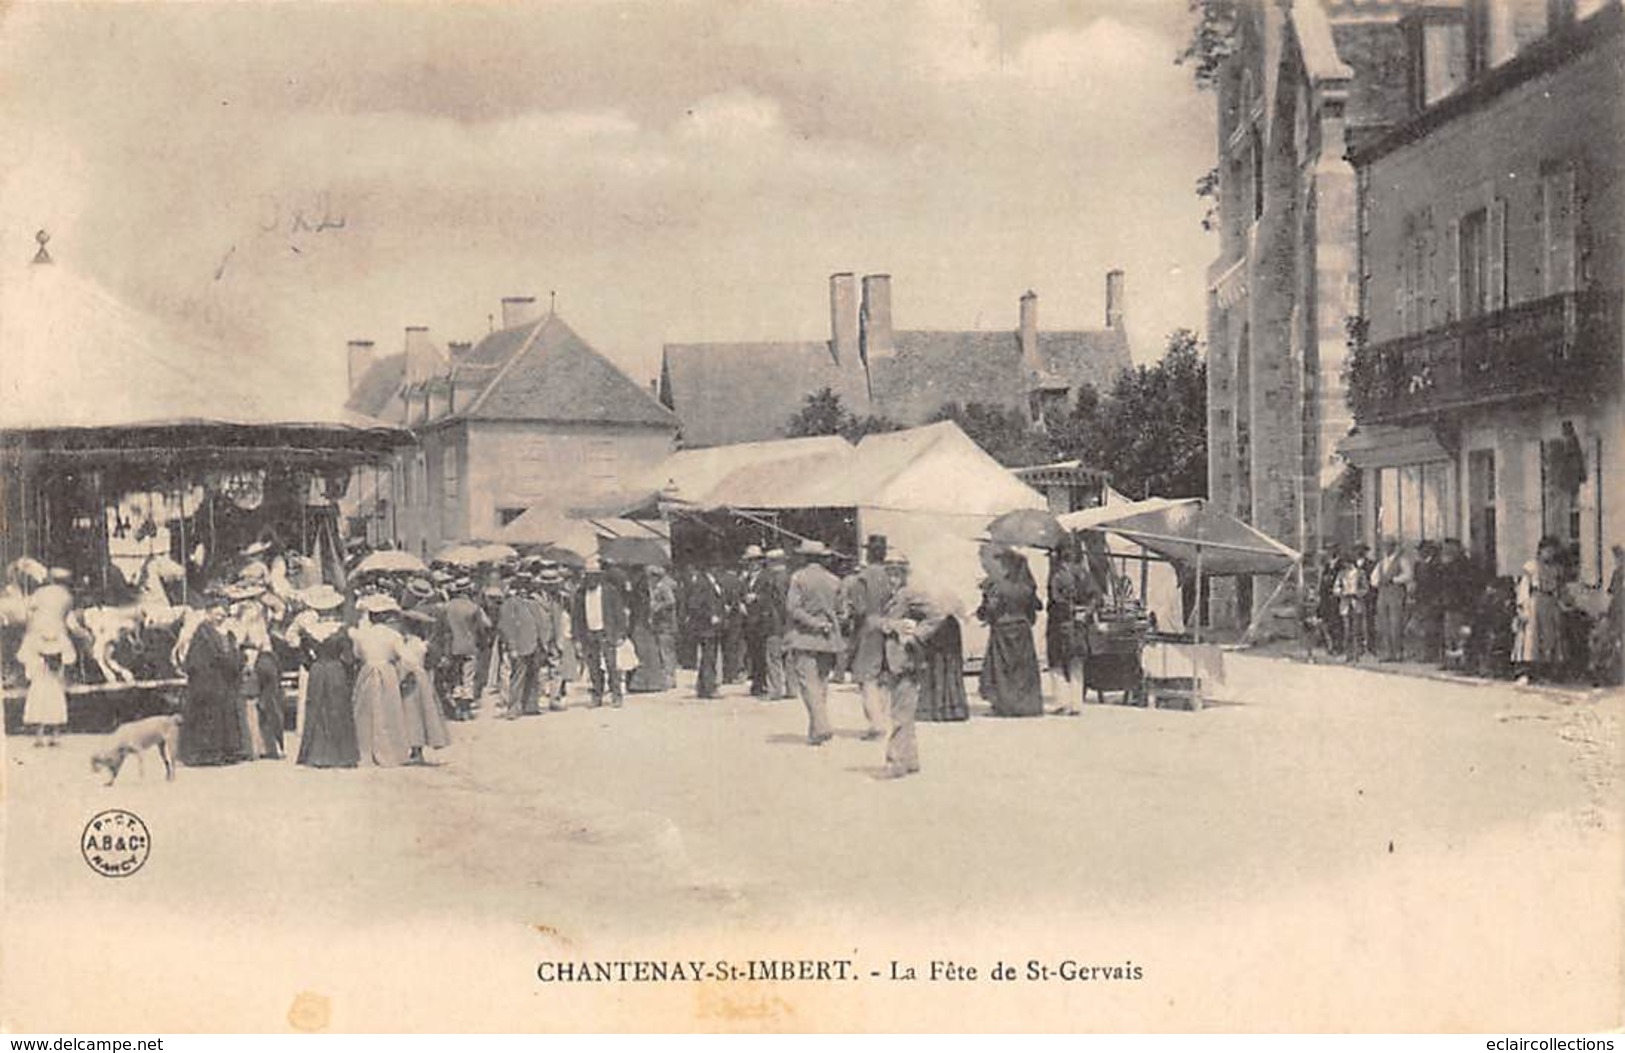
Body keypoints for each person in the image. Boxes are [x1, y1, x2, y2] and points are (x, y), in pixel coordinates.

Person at [785, 540, 845, 745]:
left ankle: (821, 725)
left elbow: (793, 609)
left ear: (804, 557)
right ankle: (815, 731)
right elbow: (843, 612)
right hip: (829, 640)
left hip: (804, 637)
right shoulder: (835, 580)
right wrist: (828, 623)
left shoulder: (798, 578)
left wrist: (815, 623)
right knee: (821, 683)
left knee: (808, 685)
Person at [976, 545, 1043, 717]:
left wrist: (983, 607)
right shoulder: (1026, 586)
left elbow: (990, 609)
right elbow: (1037, 606)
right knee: (1022, 670)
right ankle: (1026, 705)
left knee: (1002, 670)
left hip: (1003, 629)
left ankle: (1004, 706)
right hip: (1023, 629)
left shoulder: (999, 585)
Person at [178, 594, 245, 765]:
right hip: (205, 682)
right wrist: (228, 660)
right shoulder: (203, 632)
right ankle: (206, 755)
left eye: (223, 615)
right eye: (217, 615)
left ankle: (226, 751)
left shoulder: (227, 633)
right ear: (208, 614)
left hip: (222, 680)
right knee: (207, 717)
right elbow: (205, 658)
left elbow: (232, 654)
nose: (220, 618)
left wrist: (236, 659)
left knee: (225, 714)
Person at [351, 594, 410, 767]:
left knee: (365, 712)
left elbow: (358, 654)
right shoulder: (393, 635)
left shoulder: (362, 635)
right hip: (387, 671)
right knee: (388, 711)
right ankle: (389, 751)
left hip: (368, 670)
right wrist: (401, 676)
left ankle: (365, 751)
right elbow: (405, 658)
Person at [846, 534, 895, 740]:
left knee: (867, 679)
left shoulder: (862, 578)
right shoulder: (892, 576)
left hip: (868, 630)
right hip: (890, 628)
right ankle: (884, 720)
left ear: (868, 553)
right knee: (884, 678)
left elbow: (859, 610)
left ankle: (876, 725)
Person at [296, 624, 358, 769]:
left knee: (316, 709)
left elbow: (303, 657)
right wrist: (346, 670)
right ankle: (342, 755)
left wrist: (313, 664)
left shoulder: (309, 631)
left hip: (317, 670)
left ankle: (316, 755)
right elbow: (349, 658)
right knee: (338, 708)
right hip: (335, 669)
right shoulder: (340, 631)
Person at [1045, 538, 1095, 716]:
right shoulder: (1084, 574)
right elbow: (1095, 598)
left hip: (1060, 625)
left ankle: (1062, 702)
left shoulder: (1057, 576)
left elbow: (1055, 601)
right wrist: (1085, 612)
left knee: (1056, 663)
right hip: (1079, 625)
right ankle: (1076, 704)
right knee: (1076, 664)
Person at [573, 557, 628, 707]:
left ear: (599, 576)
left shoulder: (610, 591)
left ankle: (616, 695)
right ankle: (597, 695)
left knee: (611, 665)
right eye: (588, 575)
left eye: (594, 575)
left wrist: (621, 634)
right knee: (593, 666)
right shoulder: (580, 593)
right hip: (589, 633)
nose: (591, 579)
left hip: (606, 632)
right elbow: (576, 617)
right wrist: (577, 638)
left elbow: (619, 613)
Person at [397, 615, 450, 764]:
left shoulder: (411, 644)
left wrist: (400, 677)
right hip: (422, 678)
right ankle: (416, 750)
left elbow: (407, 663)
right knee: (422, 712)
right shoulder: (423, 644)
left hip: (412, 677)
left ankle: (415, 749)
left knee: (412, 713)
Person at [1513, 536, 1567, 683]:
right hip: (1534, 603)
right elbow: (1524, 588)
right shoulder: (1531, 567)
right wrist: (1523, 607)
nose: (1549, 553)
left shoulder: (1556, 569)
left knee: (1549, 638)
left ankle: (1546, 671)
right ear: (1541, 550)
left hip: (1550, 604)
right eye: (1547, 550)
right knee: (1531, 638)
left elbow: (1561, 590)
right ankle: (1525, 672)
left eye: (1552, 551)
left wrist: (1564, 604)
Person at [437, 578, 489, 721]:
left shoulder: (446, 607)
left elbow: (441, 628)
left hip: (451, 646)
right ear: (468, 590)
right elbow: (484, 626)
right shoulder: (473, 607)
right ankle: (466, 709)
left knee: (455, 678)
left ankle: (457, 709)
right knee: (468, 678)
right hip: (469, 646)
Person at [18, 621, 74, 747]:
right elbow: (24, 656)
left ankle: (55, 735)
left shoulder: (61, 638)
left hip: (53, 680)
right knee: (39, 704)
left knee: (55, 704)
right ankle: (39, 735)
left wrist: (58, 663)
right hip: (40, 678)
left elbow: (68, 656)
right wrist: (38, 661)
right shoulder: (32, 638)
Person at [497, 573, 542, 718]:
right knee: (518, 677)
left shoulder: (532, 602)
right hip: (519, 646)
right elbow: (507, 627)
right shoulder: (509, 604)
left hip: (534, 644)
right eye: (523, 585)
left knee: (533, 675)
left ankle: (530, 705)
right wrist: (512, 647)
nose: (525, 589)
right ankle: (513, 707)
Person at [1370, 536, 1413, 662]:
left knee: (1396, 623)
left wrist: (1394, 579)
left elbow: (1408, 575)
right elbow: (1373, 578)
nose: (1386, 548)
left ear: (1393, 546)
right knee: (1384, 623)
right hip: (1383, 593)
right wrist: (1378, 582)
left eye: (1389, 545)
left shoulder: (1401, 560)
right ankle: (1388, 652)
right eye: (1385, 545)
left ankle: (1398, 652)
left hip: (1396, 593)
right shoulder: (1382, 562)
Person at [688, 563, 725, 699]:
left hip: (713, 627)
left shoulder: (713, 581)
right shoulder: (702, 582)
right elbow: (695, 604)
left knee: (708, 657)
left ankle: (703, 686)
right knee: (709, 657)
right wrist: (710, 615)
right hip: (706, 627)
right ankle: (709, 688)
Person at [760, 550, 792, 700]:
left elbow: (779, 601)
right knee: (788, 657)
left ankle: (775, 690)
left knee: (773, 658)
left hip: (775, 623)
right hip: (788, 624)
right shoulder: (790, 577)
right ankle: (792, 688)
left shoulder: (775, 579)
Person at [1335, 546, 1371, 662]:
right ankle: (1348, 654)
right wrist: (1341, 592)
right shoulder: (1341, 574)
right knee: (1347, 629)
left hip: (1356, 603)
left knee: (1356, 630)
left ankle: (1356, 654)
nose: (1346, 565)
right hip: (1345, 603)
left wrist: (1357, 593)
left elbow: (1365, 588)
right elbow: (1336, 587)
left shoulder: (1360, 573)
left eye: (1348, 562)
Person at [648, 564, 679, 691]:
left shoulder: (663, 587)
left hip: (665, 624)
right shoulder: (659, 586)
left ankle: (670, 678)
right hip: (661, 624)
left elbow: (671, 601)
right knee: (664, 651)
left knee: (667, 651)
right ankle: (667, 677)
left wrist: (656, 607)